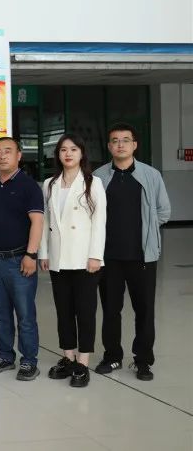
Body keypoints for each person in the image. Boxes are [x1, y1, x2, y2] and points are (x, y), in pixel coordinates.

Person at [93, 123, 171, 381]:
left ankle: (143, 360)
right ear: (109, 146)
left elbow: (164, 211)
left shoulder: (151, 175)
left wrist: (147, 231)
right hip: (109, 257)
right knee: (110, 311)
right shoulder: (99, 177)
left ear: (135, 145)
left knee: (145, 311)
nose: (120, 145)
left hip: (142, 257)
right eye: (115, 140)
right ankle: (112, 356)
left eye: (125, 140)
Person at [38, 134, 107, 388]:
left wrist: (95, 255)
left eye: (73, 149)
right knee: (63, 311)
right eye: (63, 150)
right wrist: (44, 253)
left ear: (81, 153)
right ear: (57, 154)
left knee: (85, 312)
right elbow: (45, 221)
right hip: (58, 258)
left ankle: (83, 363)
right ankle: (68, 357)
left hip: (84, 258)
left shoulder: (93, 183)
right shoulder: (49, 184)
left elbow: (99, 221)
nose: (68, 154)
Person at [0, 137, 45, 381]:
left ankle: (29, 361)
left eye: (8, 151)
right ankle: (5, 356)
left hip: (20, 259)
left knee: (25, 315)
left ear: (19, 156)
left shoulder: (29, 186)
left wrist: (31, 254)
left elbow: (37, 221)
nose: (2, 156)